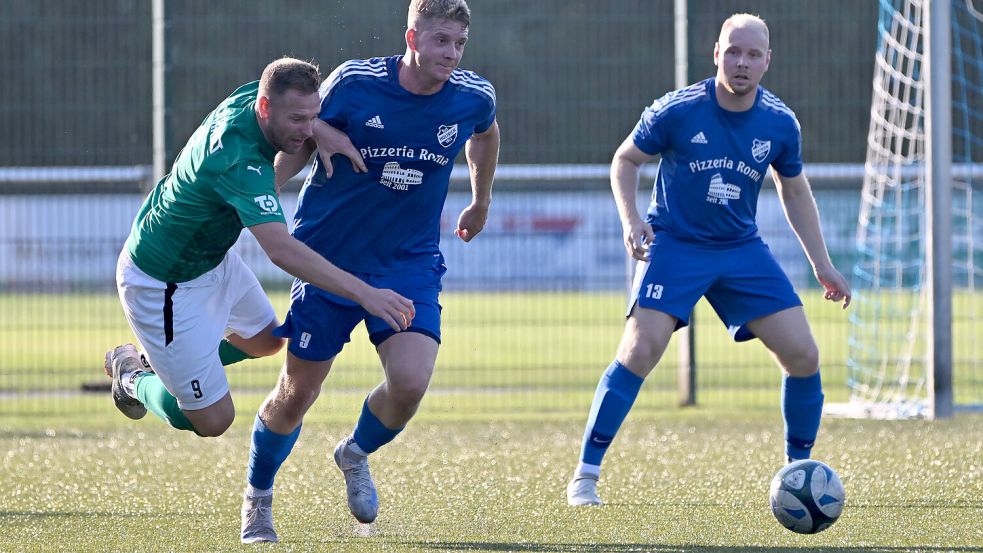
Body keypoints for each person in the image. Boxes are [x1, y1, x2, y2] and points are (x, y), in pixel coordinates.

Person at [565, 13, 852, 507]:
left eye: (753, 54)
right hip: (676, 243)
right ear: (716, 54)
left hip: (740, 248)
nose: (742, 63)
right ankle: (585, 477)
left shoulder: (781, 123)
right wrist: (632, 220)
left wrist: (822, 263)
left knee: (804, 355)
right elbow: (625, 160)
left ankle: (796, 474)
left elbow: (794, 187)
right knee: (640, 349)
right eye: (733, 52)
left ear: (767, 62)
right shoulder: (676, 110)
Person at [239, 0, 499, 543]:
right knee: (296, 393)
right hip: (328, 258)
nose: (450, 54)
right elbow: (296, 137)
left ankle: (354, 452)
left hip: (408, 262)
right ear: (412, 37)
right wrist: (265, 191)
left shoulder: (474, 95)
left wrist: (479, 201)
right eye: (440, 41)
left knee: (409, 383)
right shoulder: (353, 83)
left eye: (459, 44)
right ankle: (258, 498)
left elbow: (486, 134)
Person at [105, 57, 415, 442]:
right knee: (214, 420)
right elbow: (282, 251)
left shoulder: (256, 95)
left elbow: (296, 115)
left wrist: (320, 129)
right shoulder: (238, 162)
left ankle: (170, 363)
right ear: (267, 108)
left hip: (209, 258)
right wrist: (365, 293)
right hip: (162, 281)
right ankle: (133, 377)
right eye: (297, 120)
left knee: (268, 340)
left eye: (311, 116)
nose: (307, 130)